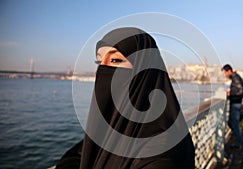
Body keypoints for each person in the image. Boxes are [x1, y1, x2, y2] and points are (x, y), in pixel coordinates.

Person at [56, 27, 195, 169]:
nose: (104, 70)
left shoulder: (163, 153)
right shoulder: (117, 126)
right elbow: (83, 152)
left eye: (115, 60)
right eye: (99, 62)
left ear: (144, 69)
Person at [222, 64, 243, 149]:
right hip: (236, 103)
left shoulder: (235, 78)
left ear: (229, 71)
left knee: (234, 123)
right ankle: (240, 140)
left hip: (236, 104)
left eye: (225, 73)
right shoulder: (236, 77)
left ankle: (241, 141)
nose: (225, 75)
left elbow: (240, 91)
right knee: (233, 123)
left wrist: (230, 93)